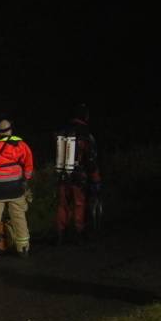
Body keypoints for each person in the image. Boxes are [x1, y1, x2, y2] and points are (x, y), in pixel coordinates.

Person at [0, 119, 34, 259]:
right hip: (16, 189)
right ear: (11, 130)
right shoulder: (21, 145)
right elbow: (28, 167)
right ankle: (23, 248)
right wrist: (25, 179)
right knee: (19, 217)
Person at [54, 104, 102, 244]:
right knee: (79, 204)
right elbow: (91, 158)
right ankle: (78, 234)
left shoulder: (62, 131)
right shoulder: (86, 134)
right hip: (78, 176)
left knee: (62, 204)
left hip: (61, 174)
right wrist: (96, 179)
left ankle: (60, 234)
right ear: (85, 116)